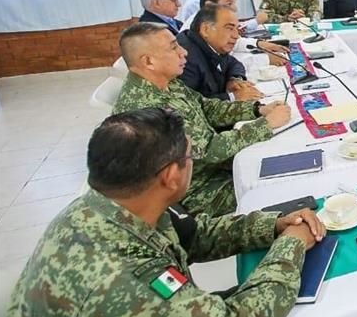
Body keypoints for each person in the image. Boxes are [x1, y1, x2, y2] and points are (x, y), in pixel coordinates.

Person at [5, 108, 326, 317]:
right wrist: (291, 245)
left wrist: (272, 225)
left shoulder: (109, 205)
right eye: (191, 156)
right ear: (171, 175)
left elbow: (194, 234)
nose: (194, 163)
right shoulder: (118, 280)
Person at [112, 23, 290, 215]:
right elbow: (208, 151)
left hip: (215, 169)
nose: (183, 52)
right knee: (282, 188)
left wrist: (257, 110)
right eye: (173, 47)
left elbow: (206, 107)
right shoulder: (147, 108)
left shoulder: (165, 82)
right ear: (148, 62)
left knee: (284, 158)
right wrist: (266, 125)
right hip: (196, 193)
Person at [183, 0, 287, 67]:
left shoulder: (210, 19)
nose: (235, 8)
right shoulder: (200, 27)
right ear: (210, 5)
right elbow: (222, 65)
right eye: (229, 4)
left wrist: (259, 44)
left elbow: (234, 43)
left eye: (234, 2)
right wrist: (265, 60)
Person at [177, 3, 262, 102]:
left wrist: (234, 79)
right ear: (205, 29)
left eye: (236, 29)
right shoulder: (184, 58)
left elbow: (233, 63)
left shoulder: (211, 46)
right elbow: (190, 105)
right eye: (229, 28)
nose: (236, 35)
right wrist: (232, 97)